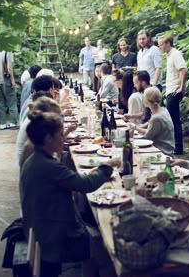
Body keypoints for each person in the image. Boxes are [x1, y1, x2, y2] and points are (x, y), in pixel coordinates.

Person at [20, 110, 120, 277]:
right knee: (106, 245)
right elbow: (85, 184)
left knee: (94, 223)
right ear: (48, 139)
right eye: (60, 134)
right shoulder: (47, 165)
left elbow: (70, 181)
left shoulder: (37, 158)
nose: (63, 137)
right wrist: (107, 165)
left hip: (42, 225)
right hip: (53, 236)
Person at [158, 34, 187, 155]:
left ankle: (178, 148)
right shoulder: (169, 55)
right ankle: (176, 146)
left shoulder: (175, 54)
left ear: (168, 43)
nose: (160, 47)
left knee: (173, 120)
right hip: (170, 90)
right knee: (173, 119)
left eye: (161, 44)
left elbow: (183, 70)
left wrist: (181, 87)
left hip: (175, 91)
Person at [133, 87, 175, 155]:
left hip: (162, 150)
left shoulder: (156, 118)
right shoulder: (163, 110)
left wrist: (135, 128)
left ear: (145, 101)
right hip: (169, 148)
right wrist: (142, 126)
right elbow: (151, 125)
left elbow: (147, 137)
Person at [0, 50, 19, 129]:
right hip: (6, 80)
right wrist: (12, 80)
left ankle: (2, 124)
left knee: (0, 103)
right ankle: (13, 122)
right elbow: (9, 66)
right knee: (12, 102)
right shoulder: (7, 51)